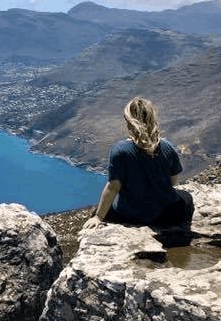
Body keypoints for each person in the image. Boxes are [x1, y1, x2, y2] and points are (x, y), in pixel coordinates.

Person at [83, 97, 194, 232]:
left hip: (130, 216)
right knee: (186, 197)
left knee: (98, 209)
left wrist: (98, 217)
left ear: (128, 122)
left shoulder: (119, 150)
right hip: (167, 215)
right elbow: (173, 181)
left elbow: (113, 187)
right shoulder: (167, 147)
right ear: (153, 119)